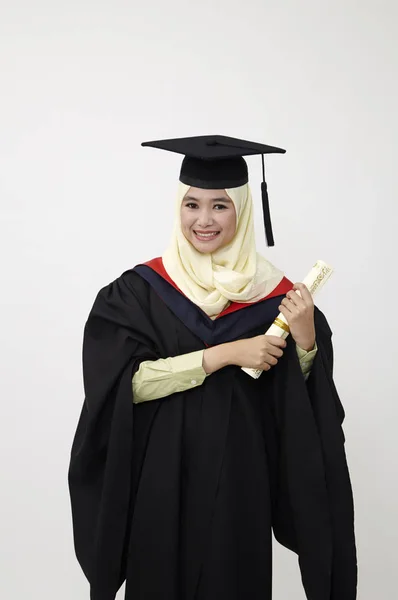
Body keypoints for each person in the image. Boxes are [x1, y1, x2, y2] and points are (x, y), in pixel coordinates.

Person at [68, 135, 357, 600]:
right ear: (177, 208)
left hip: (242, 475)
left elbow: (302, 411)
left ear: (242, 211)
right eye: (192, 204)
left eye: (220, 206)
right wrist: (223, 354)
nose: (203, 220)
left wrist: (305, 340)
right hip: (160, 475)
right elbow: (123, 387)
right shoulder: (136, 293)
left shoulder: (276, 296)